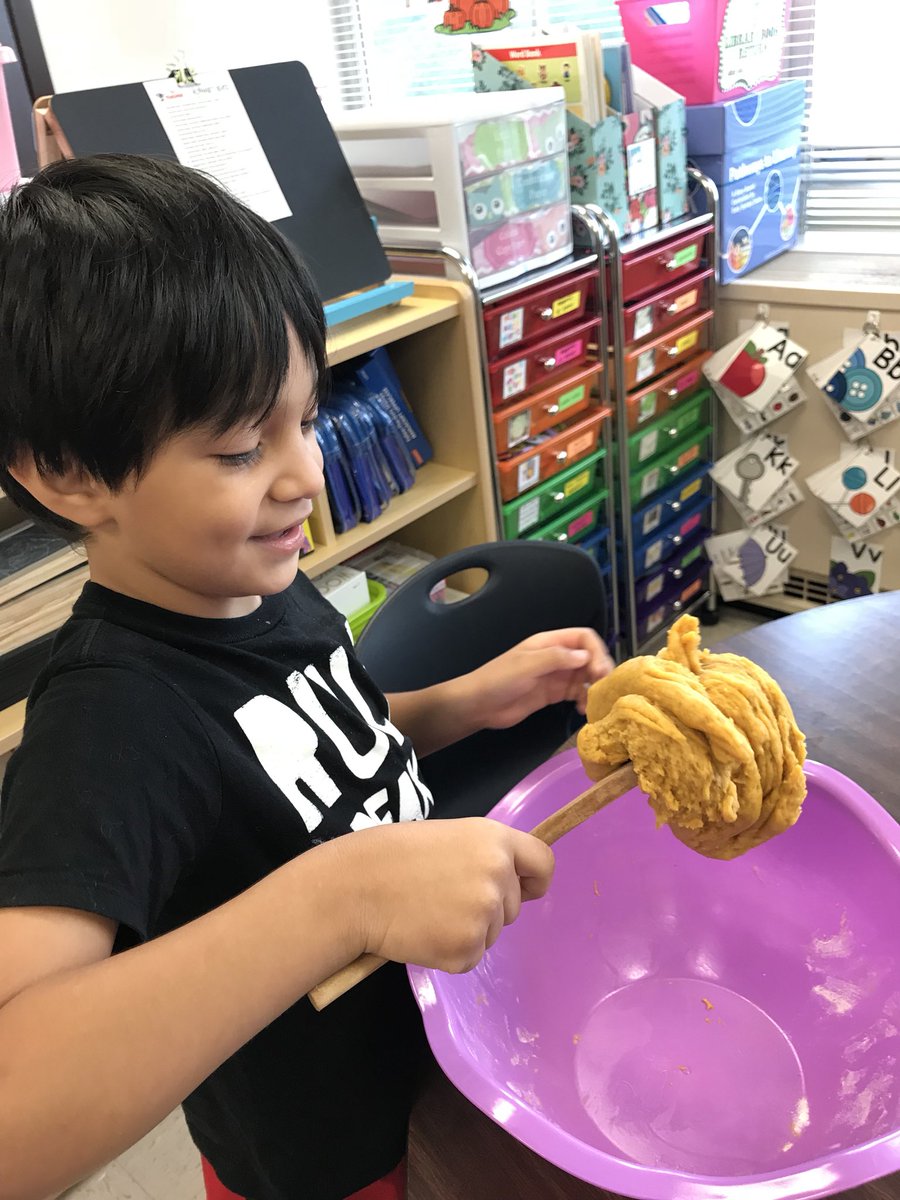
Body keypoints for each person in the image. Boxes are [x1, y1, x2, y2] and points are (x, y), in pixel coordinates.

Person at [0, 155, 613, 1200]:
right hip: (326, 1158)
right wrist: (343, 898)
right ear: (71, 475)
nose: (306, 474)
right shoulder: (109, 725)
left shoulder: (252, 584)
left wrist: (465, 705)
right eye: (244, 446)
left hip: (440, 1065)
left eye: (307, 417)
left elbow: (322, 763)